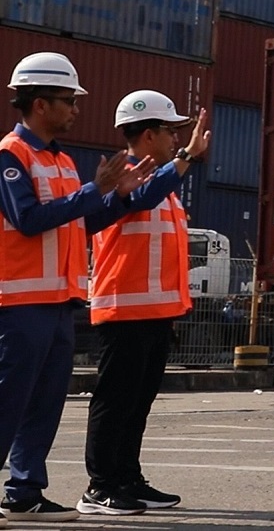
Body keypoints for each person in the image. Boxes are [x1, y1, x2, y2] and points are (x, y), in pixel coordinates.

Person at [0, 53, 150, 522]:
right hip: (20, 302)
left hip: (60, 301)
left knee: (43, 403)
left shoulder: (63, 159)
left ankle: (24, 492)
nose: (76, 110)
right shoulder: (10, 155)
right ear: (40, 104)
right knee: (7, 402)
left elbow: (79, 223)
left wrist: (117, 197)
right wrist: (91, 192)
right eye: (68, 101)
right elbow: (27, 220)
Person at [76, 92, 210, 517]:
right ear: (149, 133)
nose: (175, 138)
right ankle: (100, 486)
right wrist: (187, 157)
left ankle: (127, 477)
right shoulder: (122, 177)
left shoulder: (165, 184)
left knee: (138, 402)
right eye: (171, 131)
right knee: (115, 401)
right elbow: (142, 198)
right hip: (124, 309)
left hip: (156, 311)